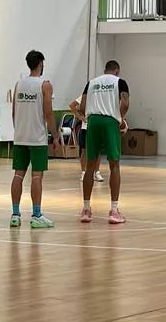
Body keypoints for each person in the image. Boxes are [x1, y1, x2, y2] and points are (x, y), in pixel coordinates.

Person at [10, 50, 60, 228]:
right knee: (37, 177)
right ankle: (36, 215)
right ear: (41, 64)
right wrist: (55, 136)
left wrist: (19, 131)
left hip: (20, 137)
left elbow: (14, 112)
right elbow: (48, 113)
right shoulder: (44, 85)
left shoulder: (19, 84)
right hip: (37, 138)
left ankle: (15, 215)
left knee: (18, 175)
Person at [79, 59, 129, 225]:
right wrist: (120, 119)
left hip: (92, 121)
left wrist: (90, 117)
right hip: (109, 122)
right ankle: (114, 211)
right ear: (117, 71)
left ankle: (86, 209)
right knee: (114, 165)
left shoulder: (91, 83)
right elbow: (125, 103)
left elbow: (82, 106)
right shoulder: (120, 82)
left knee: (90, 167)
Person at [68, 95, 104, 184]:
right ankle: (84, 172)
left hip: (97, 127)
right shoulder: (85, 95)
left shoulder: (101, 96)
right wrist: (79, 116)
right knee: (84, 150)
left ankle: (97, 172)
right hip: (86, 127)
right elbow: (72, 105)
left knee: (98, 151)